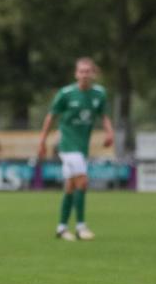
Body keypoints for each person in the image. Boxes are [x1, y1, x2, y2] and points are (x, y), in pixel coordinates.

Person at [38, 57, 114, 241]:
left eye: (88, 71)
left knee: (71, 186)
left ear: (93, 74)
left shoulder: (99, 94)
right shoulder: (66, 94)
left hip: (82, 146)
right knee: (83, 182)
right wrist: (42, 141)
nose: (84, 75)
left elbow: (103, 115)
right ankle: (81, 227)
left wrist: (109, 132)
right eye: (81, 71)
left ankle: (61, 228)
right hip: (67, 144)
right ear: (76, 74)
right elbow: (51, 116)